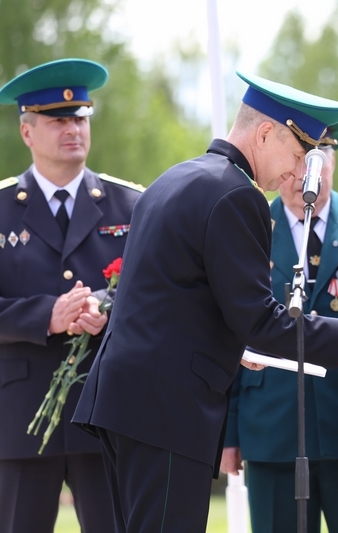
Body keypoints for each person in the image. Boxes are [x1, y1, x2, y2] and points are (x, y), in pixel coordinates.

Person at [71, 72, 338, 532]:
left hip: (130, 402)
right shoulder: (237, 194)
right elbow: (258, 317)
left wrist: (236, 347)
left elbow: (174, 301)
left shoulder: (179, 177)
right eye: (299, 155)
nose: (299, 174)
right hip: (167, 410)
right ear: (265, 133)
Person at [221, 118, 338, 533]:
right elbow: (230, 332)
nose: (306, 171)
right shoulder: (243, 225)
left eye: (317, 156)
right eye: (299, 157)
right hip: (271, 427)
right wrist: (228, 434)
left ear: (333, 160)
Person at [0, 58, 143, 533]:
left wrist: (106, 309)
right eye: (58, 120)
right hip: (22, 416)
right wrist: (48, 316)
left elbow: (156, 294)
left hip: (104, 408)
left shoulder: (133, 204)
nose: (73, 129)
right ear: (27, 132)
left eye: (80, 118)